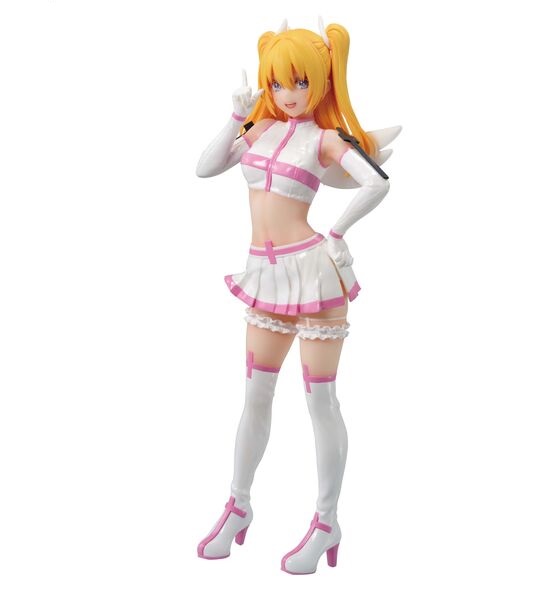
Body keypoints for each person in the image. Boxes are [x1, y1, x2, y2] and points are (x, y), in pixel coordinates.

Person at [194, 17, 400, 574]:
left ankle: (327, 521)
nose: (289, 94)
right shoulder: (259, 129)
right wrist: (235, 117)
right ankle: (238, 506)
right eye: (279, 82)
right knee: (255, 396)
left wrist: (337, 232)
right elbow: (205, 167)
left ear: (322, 81)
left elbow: (377, 181)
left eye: (301, 82)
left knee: (319, 401)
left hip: (315, 279)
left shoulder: (324, 140)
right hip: (264, 277)